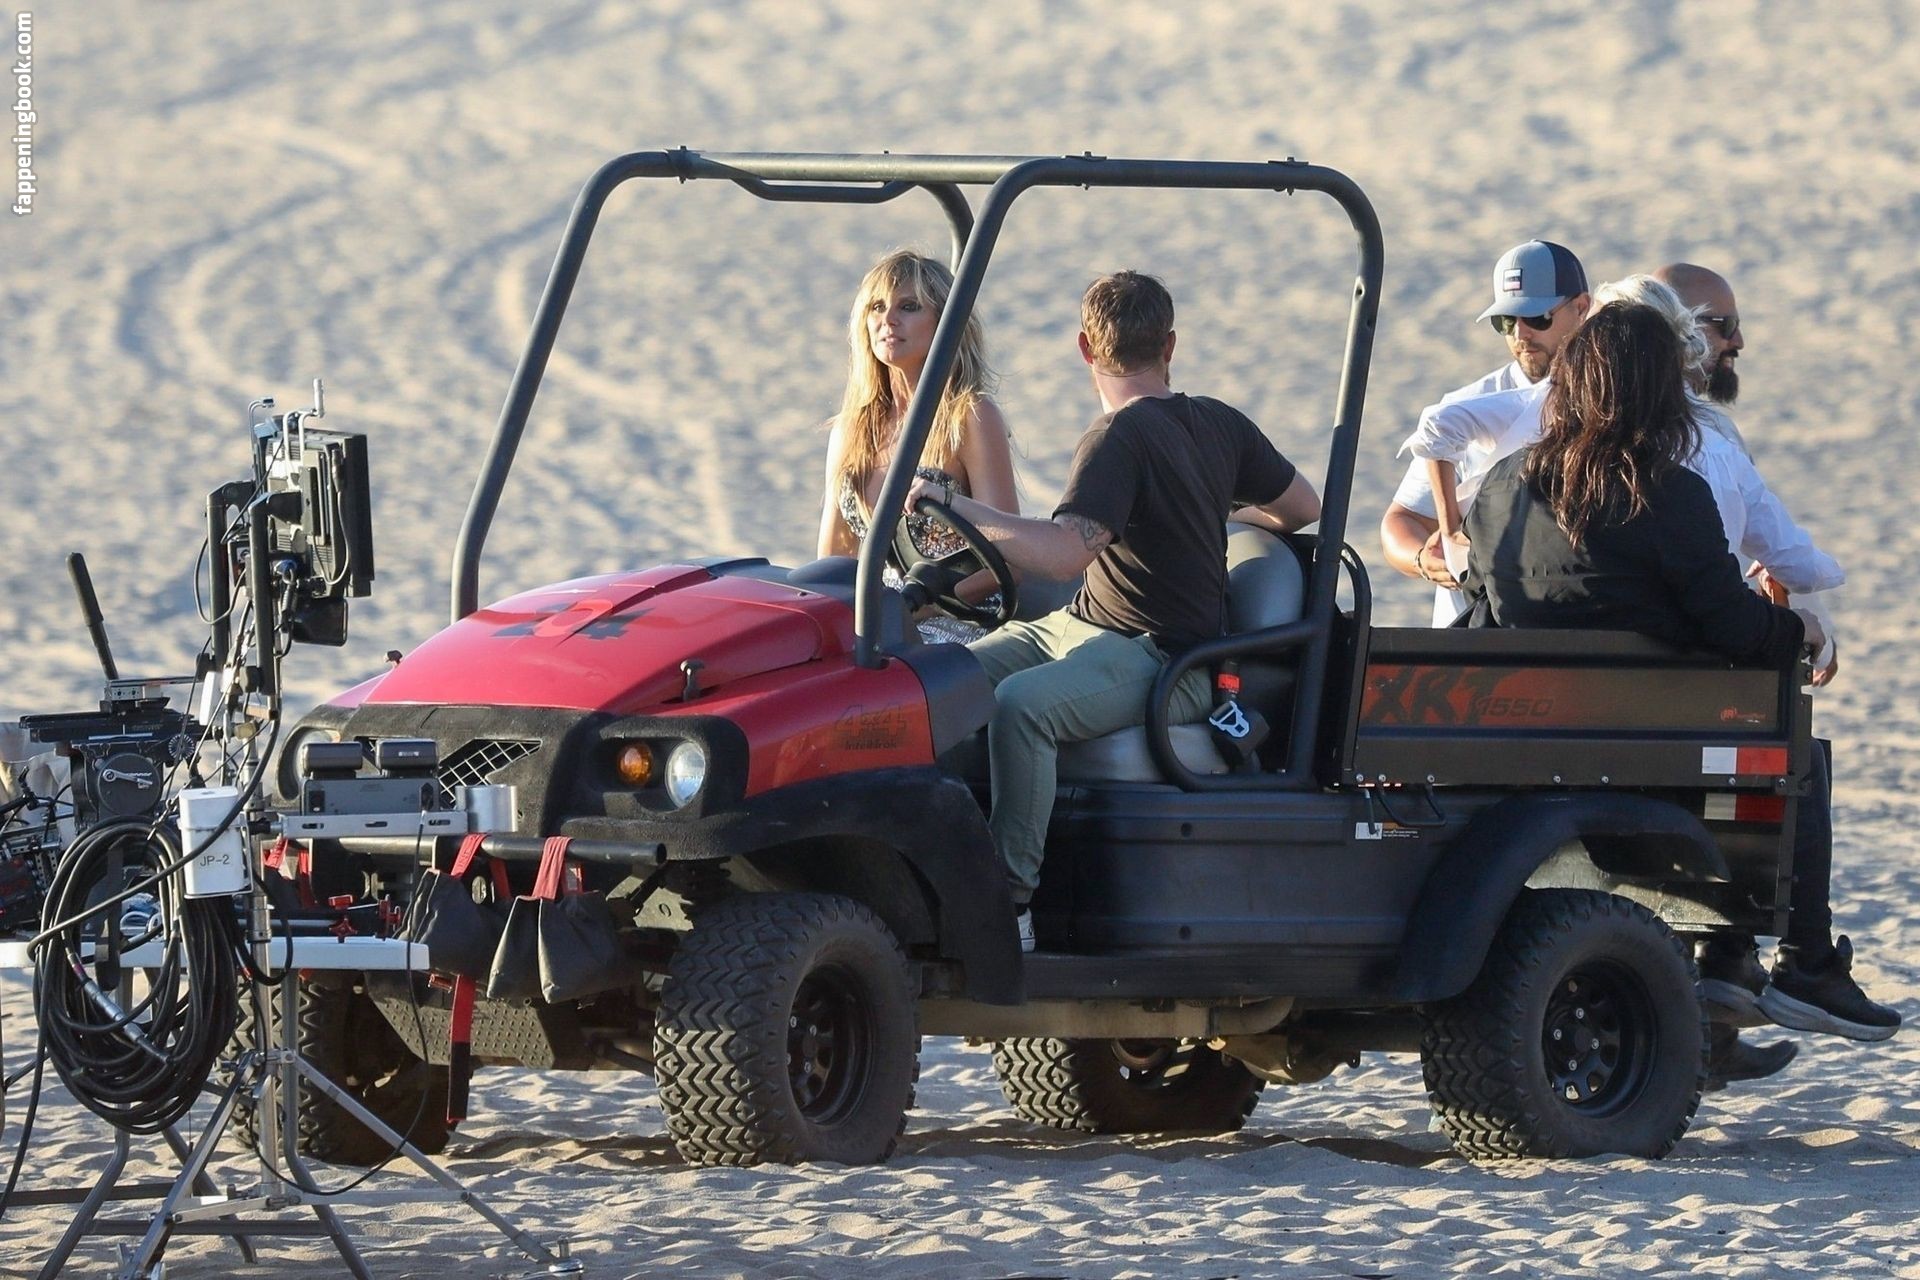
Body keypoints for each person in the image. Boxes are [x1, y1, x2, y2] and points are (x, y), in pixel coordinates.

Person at [1465, 301, 1900, 1043]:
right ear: (1661, 391)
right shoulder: (1665, 489)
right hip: (1658, 740)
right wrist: (1799, 628)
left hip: (1525, 737)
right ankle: (1804, 963)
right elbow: (1733, 625)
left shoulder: (1500, 487)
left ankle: (1726, 960)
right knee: (1797, 751)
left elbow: (1483, 606)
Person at [905, 271, 1320, 948]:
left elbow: (1065, 554)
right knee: (938, 679)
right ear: (1170, 345)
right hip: (1081, 625)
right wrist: (1215, 515)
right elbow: (1303, 506)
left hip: (1167, 661)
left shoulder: (1116, 438)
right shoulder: (1218, 421)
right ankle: (928, 862)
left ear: (1084, 349)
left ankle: (1008, 905)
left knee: (1021, 708)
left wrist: (956, 506)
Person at [1379, 240, 1590, 624]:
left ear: (1581, 308)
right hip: (1472, 632)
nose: (1521, 334)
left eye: (1537, 317)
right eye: (1506, 321)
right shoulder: (1465, 405)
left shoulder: (1607, 401)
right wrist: (1427, 560)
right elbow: (1401, 521)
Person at [817, 249, 1018, 643]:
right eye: (877, 307)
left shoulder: (970, 417)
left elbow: (1009, 558)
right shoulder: (850, 429)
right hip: (876, 618)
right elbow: (834, 556)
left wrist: (916, 605)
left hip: (956, 617)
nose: (888, 320)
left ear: (944, 322)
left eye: (908, 307)